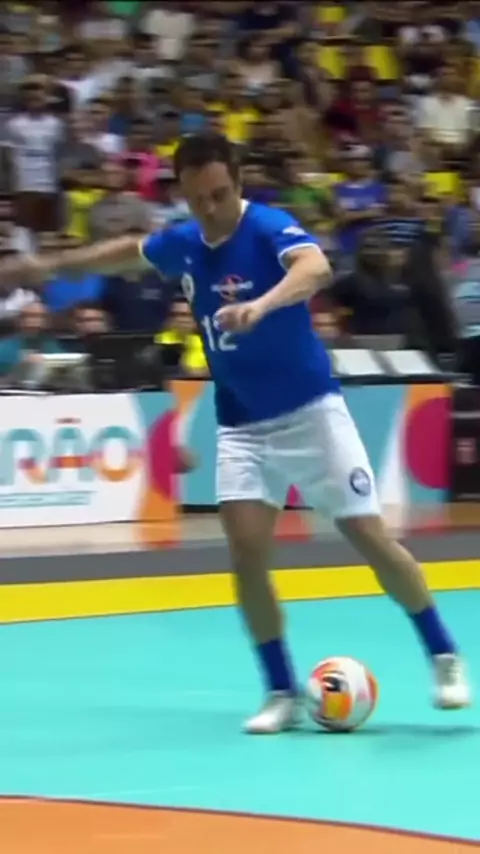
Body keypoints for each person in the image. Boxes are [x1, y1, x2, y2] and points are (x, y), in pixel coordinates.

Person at [2, 132, 471, 734]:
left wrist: (262, 305)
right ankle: (280, 691)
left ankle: (443, 654)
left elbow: (316, 267)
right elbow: (124, 253)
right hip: (242, 424)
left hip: (311, 413)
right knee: (247, 557)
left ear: (238, 183)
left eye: (219, 195)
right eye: (197, 199)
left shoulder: (268, 227)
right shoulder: (184, 241)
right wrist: (47, 266)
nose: (210, 209)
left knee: (371, 541)